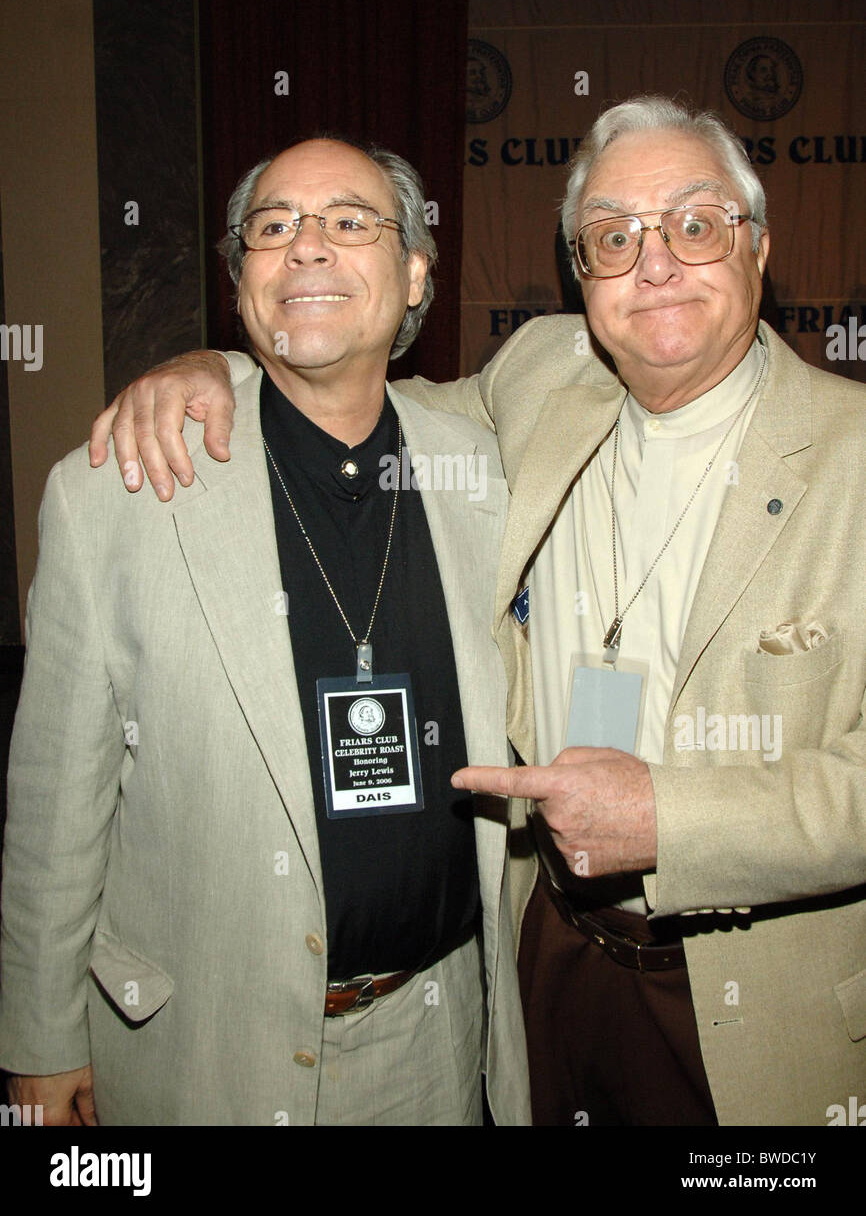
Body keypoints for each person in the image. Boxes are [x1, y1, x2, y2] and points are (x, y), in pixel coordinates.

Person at [86, 97, 866, 1127]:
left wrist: (665, 820)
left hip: (745, 996)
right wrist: (219, 363)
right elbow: (345, 389)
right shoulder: (545, 375)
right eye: (611, 237)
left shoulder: (851, 459)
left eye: (694, 222)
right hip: (539, 950)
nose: (654, 264)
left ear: (757, 244)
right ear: (578, 272)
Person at [0, 137, 530, 1126]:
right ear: (240, 280)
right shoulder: (112, 492)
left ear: (415, 272)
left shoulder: (486, 474)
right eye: (272, 226)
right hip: (197, 1051)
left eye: (349, 221)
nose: (307, 248)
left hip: (435, 1037)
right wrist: (38, 1036)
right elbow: (53, 803)